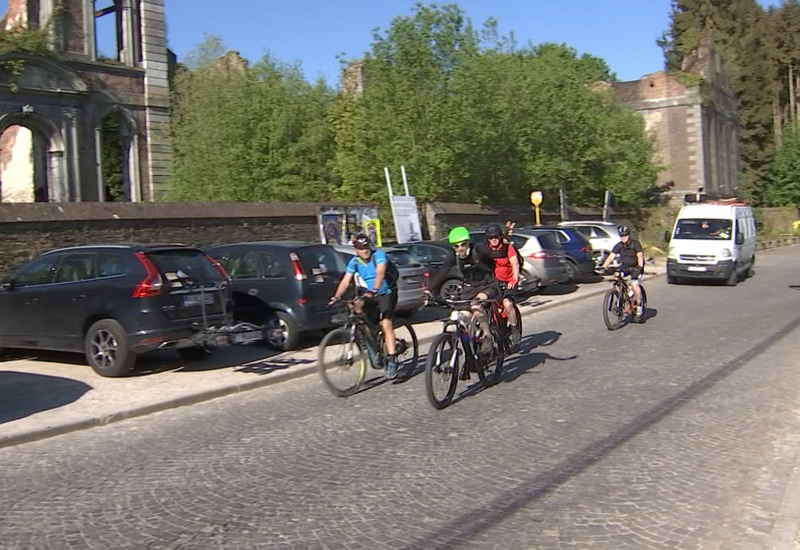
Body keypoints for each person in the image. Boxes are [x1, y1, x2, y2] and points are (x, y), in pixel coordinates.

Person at [329, 233, 400, 379]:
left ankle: (392, 360)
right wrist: (336, 296)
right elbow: (345, 281)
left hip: (386, 292)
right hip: (371, 294)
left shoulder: (379, 256)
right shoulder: (354, 262)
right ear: (356, 250)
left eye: (367, 247)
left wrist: (374, 289)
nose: (365, 251)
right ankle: (371, 334)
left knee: (386, 323)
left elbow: (380, 272)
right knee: (357, 306)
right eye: (361, 248)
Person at [426, 226, 498, 356]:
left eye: (463, 244)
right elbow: (443, 272)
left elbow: (495, 255)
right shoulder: (455, 256)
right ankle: (470, 347)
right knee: (460, 317)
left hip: (487, 285)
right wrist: (429, 290)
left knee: (476, 307)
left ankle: (488, 337)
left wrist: (505, 241)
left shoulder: (478, 249)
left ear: (468, 243)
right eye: (456, 246)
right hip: (469, 288)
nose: (460, 248)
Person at [484, 223, 521, 345]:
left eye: (495, 236)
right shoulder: (487, 249)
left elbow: (515, 263)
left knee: (507, 304)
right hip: (494, 282)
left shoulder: (507, 248)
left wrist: (514, 278)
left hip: (509, 280)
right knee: (489, 306)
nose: (493, 239)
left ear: (499, 236)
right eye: (490, 237)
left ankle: (514, 328)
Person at [601, 225, 645, 317]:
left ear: (628, 235)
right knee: (616, 276)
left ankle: (639, 304)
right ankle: (621, 297)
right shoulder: (619, 245)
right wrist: (604, 267)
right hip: (625, 266)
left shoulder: (635, 244)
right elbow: (611, 257)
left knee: (634, 285)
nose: (623, 238)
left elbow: (640, 256)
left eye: (625, 235)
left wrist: (639, 267)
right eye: (621, 236)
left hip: (635, 267)